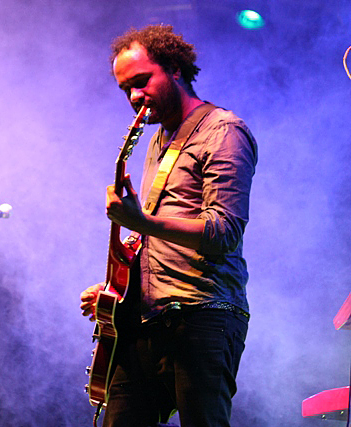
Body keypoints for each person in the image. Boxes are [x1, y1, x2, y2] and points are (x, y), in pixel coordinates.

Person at [80, 25, 257, 427]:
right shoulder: (158, 140)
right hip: (145, 319)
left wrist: (142, 220)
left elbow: (224, 231)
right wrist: (116, 288)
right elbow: (154, 234)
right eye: (126, 89)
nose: (134, 96)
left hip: (202, 316)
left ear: (175, 69)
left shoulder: (223, 131)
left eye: (142, 81)